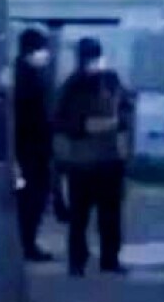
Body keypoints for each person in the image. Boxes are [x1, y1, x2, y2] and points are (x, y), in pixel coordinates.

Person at [52, 37, 134, 277]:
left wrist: (115, 125)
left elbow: (126, 110)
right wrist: (87, 127)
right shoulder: (74, 86)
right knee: (83, 215)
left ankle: (103, 259)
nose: (93, 63)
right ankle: (84, 260)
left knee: (104, 214)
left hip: (102, 159)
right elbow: (61, 122)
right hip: (87, 160)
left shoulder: (106, 81)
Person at [15, 27, 56, 262]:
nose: (46, 55)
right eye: (43, 50)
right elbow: (38, 116)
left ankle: (27, 243)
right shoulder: (30, 80)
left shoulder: (25, 76)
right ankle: (27, 244)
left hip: (31, 148)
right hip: (32, 149)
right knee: (33, 198)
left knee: (31, 198)